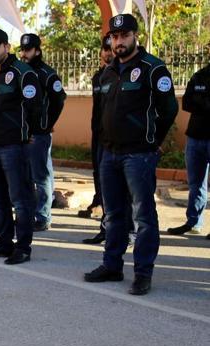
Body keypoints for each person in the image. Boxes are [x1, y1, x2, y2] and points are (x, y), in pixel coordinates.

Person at [83, 14, 178, 295]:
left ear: (136, 36)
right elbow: (101, 114)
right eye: (115, 36)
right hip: (109, 154)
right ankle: (112, 265)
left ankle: (142, 273)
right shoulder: (108, 71)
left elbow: (169, 109)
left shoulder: (153, 68)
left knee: (144, 216)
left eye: (124, 36)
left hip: (139, 155)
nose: (119, 41)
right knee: (113, 215)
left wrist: (154, 141)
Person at [0, 28, 40, 265]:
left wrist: (28, 133)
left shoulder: (23, 73)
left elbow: (35, 107)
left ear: (6, 47)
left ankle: (23, 247)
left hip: (14, 147)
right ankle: (4, 243)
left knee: (21, 200)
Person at [19, 33, 67, 232]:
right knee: (28, 176)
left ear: (37, 51)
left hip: (39, 133)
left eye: (28, 50)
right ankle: (31, 214)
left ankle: (43, 216)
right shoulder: (21, 72)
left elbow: (59, 100)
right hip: (24, 133)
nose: (23, 54)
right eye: (22, 50)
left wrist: (47, 123)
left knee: (42, 176)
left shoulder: (47, 74)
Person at [167, 59, 210, 239]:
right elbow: (186, 102)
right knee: (196, 184)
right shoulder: (199, 75)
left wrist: (201, 101)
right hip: (195, 137)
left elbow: (196, 102)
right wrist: (205, 103)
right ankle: (193, 222)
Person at [81, 35, 115, 244]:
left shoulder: (126, 75)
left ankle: (126, 231)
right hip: (100, 138)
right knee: (102, 184)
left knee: (121, 190)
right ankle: (106, 228)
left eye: (112, 48)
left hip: (120, 141)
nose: (109, 52)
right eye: (106, 49)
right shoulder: (98, 77)